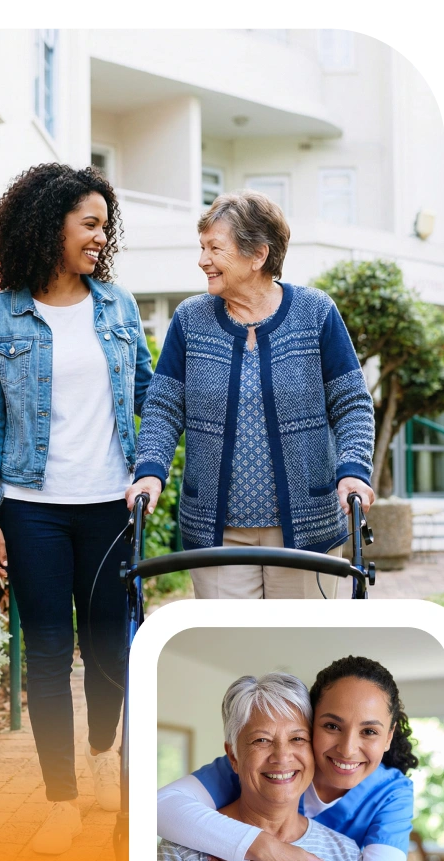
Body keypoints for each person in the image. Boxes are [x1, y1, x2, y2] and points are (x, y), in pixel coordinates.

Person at [0, 162, 153, 855]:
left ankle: (102, 756)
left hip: (110, 506)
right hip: (32, 509)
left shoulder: (118, 308)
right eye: (89, 224)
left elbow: (151, 394)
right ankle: (59, 800)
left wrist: (155, 467)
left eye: (105, 226)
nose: (101, 238)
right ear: (50, 227)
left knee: (108, 650)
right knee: (45, 655)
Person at [126, 190, 375, 599]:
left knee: (301, 639)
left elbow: (351, 404)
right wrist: (150, 471)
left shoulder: (315, 312)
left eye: (215, 248)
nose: (202, 260)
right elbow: (163, 408)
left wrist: (353, 469)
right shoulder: (190, 319)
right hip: (216, 531)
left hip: (307, 528)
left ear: (258, 254)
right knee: (228, 640)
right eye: (202, 247)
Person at [157, 656, 417, 861]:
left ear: (388, 736)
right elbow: (159, 806)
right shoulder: (260, 765)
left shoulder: (391, 792)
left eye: (370, 731)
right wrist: (265, 850)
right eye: (332, 726)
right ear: (311, 722)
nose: (348, 749)